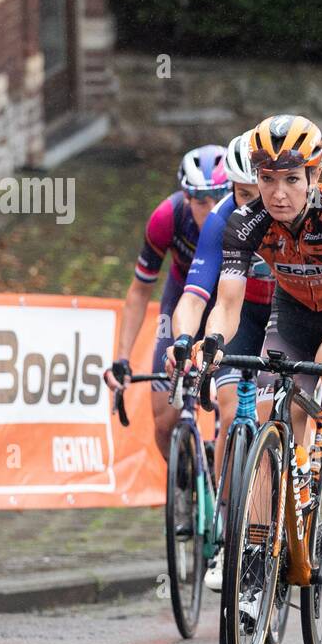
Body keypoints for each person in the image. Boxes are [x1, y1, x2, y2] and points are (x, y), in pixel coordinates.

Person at [202, 115, 322, 537]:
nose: (278, 193)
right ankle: (255, 559)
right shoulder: (246, 224)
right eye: (267, 178)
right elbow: (228, 304)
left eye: (292, 179)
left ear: (314, 174)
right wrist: (212, 341)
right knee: (277, 419)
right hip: (294, 312)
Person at [104, 145, 228, 458]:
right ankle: (186, 493)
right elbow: (139, 290)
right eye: (202, 201)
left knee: (230, 405)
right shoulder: (166, 218)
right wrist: (122, 359)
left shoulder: (244, 219)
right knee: (163, 420)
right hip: (181, 295)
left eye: (220, 197)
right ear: (186, 198)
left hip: (229, 300)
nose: (212, 208)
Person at [166, 132, 275, 486]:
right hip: (243, 315)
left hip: (285, 316)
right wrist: (183, 338)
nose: (252, 205)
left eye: (257, 192)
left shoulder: (287, 210)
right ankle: (226, 523)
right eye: (241, 194)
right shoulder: (221, 217)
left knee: (272, 413)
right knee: (229, 413)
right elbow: (195, 296)